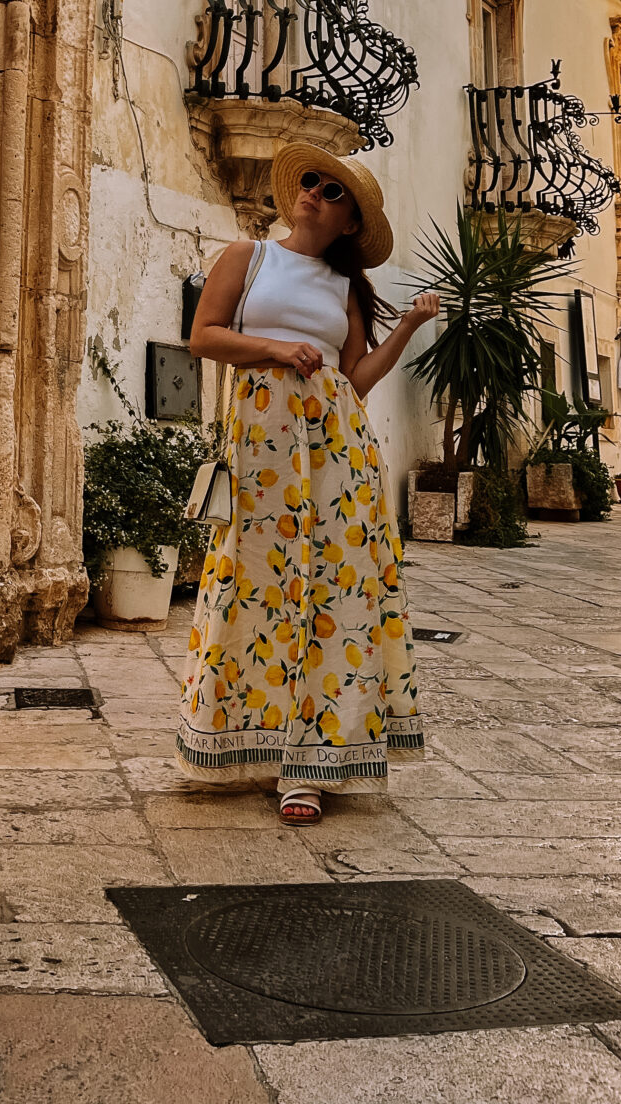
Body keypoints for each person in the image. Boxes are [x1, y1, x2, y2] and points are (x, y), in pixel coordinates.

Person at [178, 143, 439, 824]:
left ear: (350, 221)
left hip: (336, 451)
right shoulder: (248, 256)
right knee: (254, 584)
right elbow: (203, 336)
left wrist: (407, 326)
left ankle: (309, 769)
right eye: (313, 183)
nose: (315, 193)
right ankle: (241, 744)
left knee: (333, 593)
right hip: (262, 445)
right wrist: (273, 349)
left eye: (332, 192)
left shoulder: (345, 287)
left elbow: (353, 377)